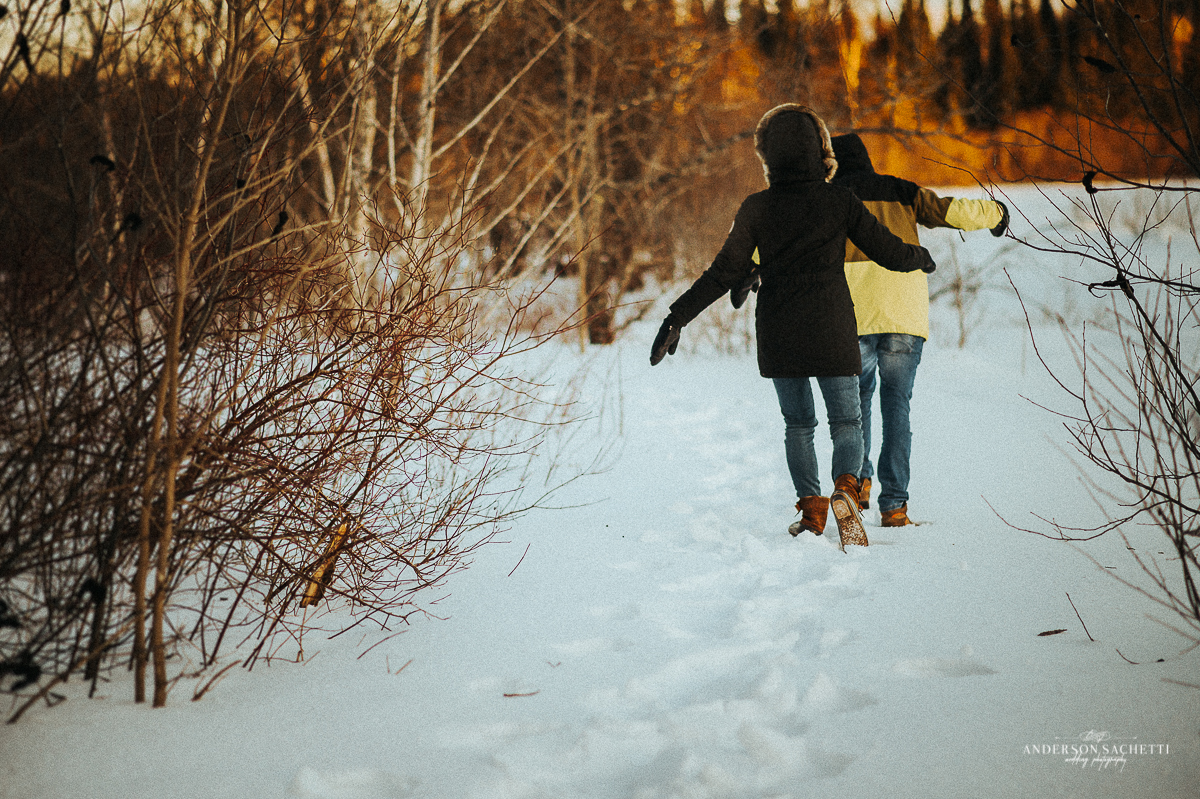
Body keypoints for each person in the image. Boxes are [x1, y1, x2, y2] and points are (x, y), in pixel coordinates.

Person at [649, 104, 936, 548]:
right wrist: (921, 258)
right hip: (831, 326)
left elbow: (723, 271)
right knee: (847, 421)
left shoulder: (756, 208)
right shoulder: (839, 199)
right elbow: (889, 252)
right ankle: (845, 489)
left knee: (798, 423)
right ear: (819, 149)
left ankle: (813, 509)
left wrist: (677, 316)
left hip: (781, 331)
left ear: (768, 157)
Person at [828, 133, 1008, 526]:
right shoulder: (902, 190)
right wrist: (995, 214)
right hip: (903, 312)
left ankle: (857, 485)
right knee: (897, 404)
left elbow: (786, 238)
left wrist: (752, 268)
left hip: (851, 312)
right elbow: (951, 210)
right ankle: (895, 507)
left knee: (855, 407)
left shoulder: (831, 197)